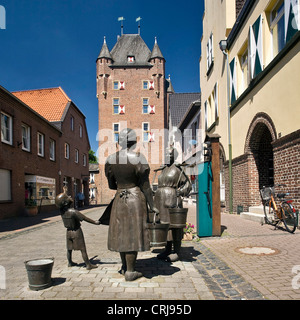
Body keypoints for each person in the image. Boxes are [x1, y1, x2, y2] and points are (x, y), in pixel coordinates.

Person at [104, 128, 159, 281]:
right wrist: (152, 205)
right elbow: (146, 186)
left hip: (119, 198)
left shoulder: (110, 160)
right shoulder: (138, 158)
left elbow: (111, 185)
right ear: (134, 142)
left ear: (119, 142)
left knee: (122, 233)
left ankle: (125, 267)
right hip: (135, 198)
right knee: (132, 234)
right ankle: (131, 271)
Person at [154, 146, 192, 262]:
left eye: (169, 155)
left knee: (174, 226)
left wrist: (180, 192)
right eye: (165, 154)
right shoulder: (163, 169)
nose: (167, 156)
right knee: (166, 226)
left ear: (173, 156)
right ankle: (167, 249)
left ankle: (176, 251)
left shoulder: (178, 170)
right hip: (161, 200)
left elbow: (188, 185)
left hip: (172, 200)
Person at [55, 187, 99, 270]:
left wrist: (65, 191)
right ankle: (88, 264)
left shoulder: (62, 211)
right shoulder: (73, 212)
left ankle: (70, 262)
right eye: (67, 197)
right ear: (65, 203)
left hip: (68, 232)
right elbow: (85, 218)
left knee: (69, 249)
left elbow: (61, 202)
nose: (70, 196)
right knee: (83, 249)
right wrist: (95, 222)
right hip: (76, 232)